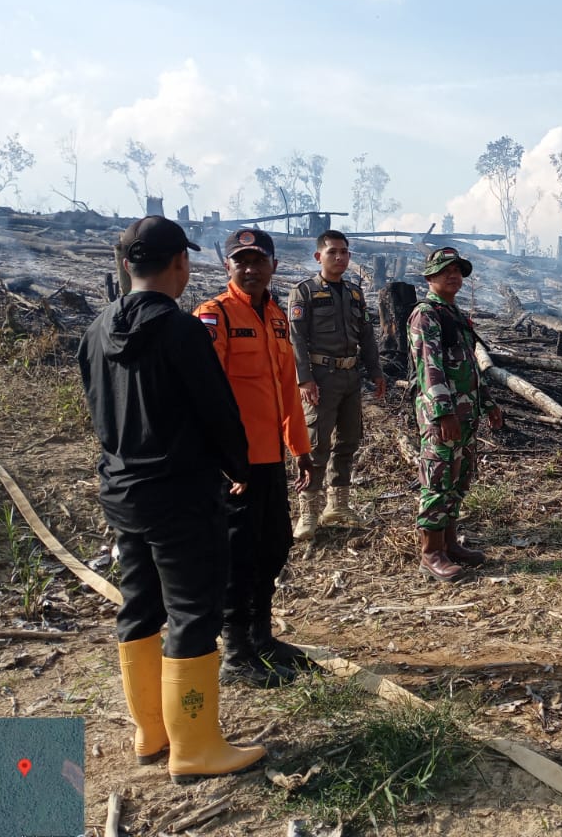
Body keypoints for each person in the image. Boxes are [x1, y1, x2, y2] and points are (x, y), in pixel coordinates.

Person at [77, 216, 265, 784]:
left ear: (128, 265)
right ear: (179, 264)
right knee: (193, 612)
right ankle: (195, 745)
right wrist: (239, 468)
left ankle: (151, 733)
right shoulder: (182, 332)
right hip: (182, 496)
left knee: (138, 606)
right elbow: (216, 410)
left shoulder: (94, 331)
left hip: (124, 493)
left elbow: (96, 411)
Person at [195, 228, 315, 685]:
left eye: (258, 260)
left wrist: (299, 449)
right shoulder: (214, 316)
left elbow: (287, 392)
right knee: (237, 553)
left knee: (274, 545)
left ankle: (262, 637)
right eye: (240, 261)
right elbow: (205, 395)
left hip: (269, 461)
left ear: (273, 267)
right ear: (227, 267)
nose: (250, 268)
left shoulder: (278, 319)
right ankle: (235, 653)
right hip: (233, 466)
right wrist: (222, 459)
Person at [407, 247, 503, 583]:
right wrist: (443, 413)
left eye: (459, 271)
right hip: (443, 417)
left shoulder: (455, 314)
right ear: (430, 276)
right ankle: (431, 552)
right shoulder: (426, 315)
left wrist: (488, 404)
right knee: (438, 479)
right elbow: (429, 369)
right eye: (446, 270)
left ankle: (449, 543)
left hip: (465, 413)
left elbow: (470, 369)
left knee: (458, 478)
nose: (454, 276)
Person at [288, 230, 386, 540]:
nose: (340, 257)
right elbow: (295, 339)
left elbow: (367, 338)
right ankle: (308, 513)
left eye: (344, 252)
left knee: (348, 441)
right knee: (316, 445)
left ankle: (338, 506)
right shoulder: (303, 292)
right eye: (333, 252)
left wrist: (377, 372)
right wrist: (304, 378)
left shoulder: (355, 294)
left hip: (349, 377)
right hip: (320, 378)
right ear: (319, 257)